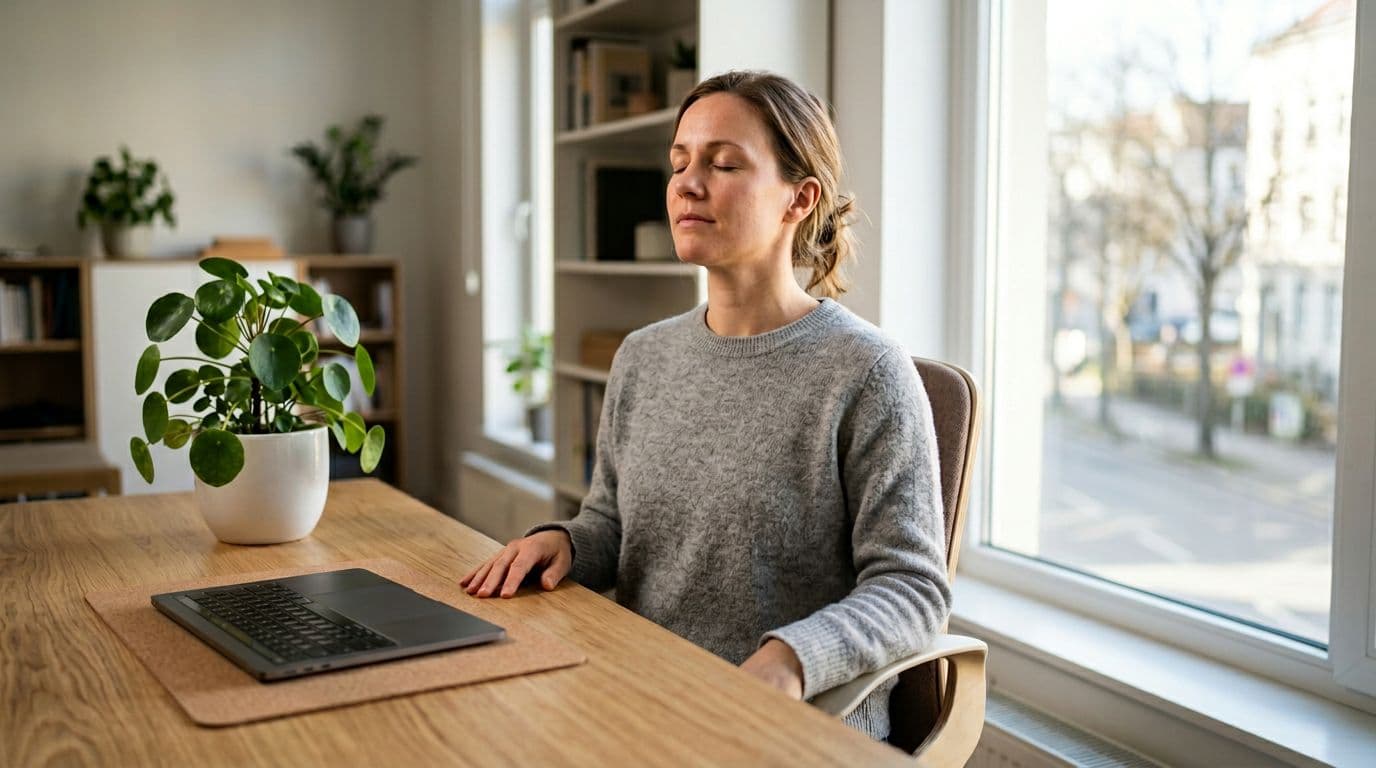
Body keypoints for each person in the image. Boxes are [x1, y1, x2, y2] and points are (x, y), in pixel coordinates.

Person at [460, 70, 951, 742]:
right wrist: (566, 541)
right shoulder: (643, 356)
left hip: (797, 725)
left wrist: (790, 660)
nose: (688, 184)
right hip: (644, 692)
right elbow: (613, 523)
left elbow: (913, 590)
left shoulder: (866, 372)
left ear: (799, 199)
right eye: (679, 163)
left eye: (723, 164)